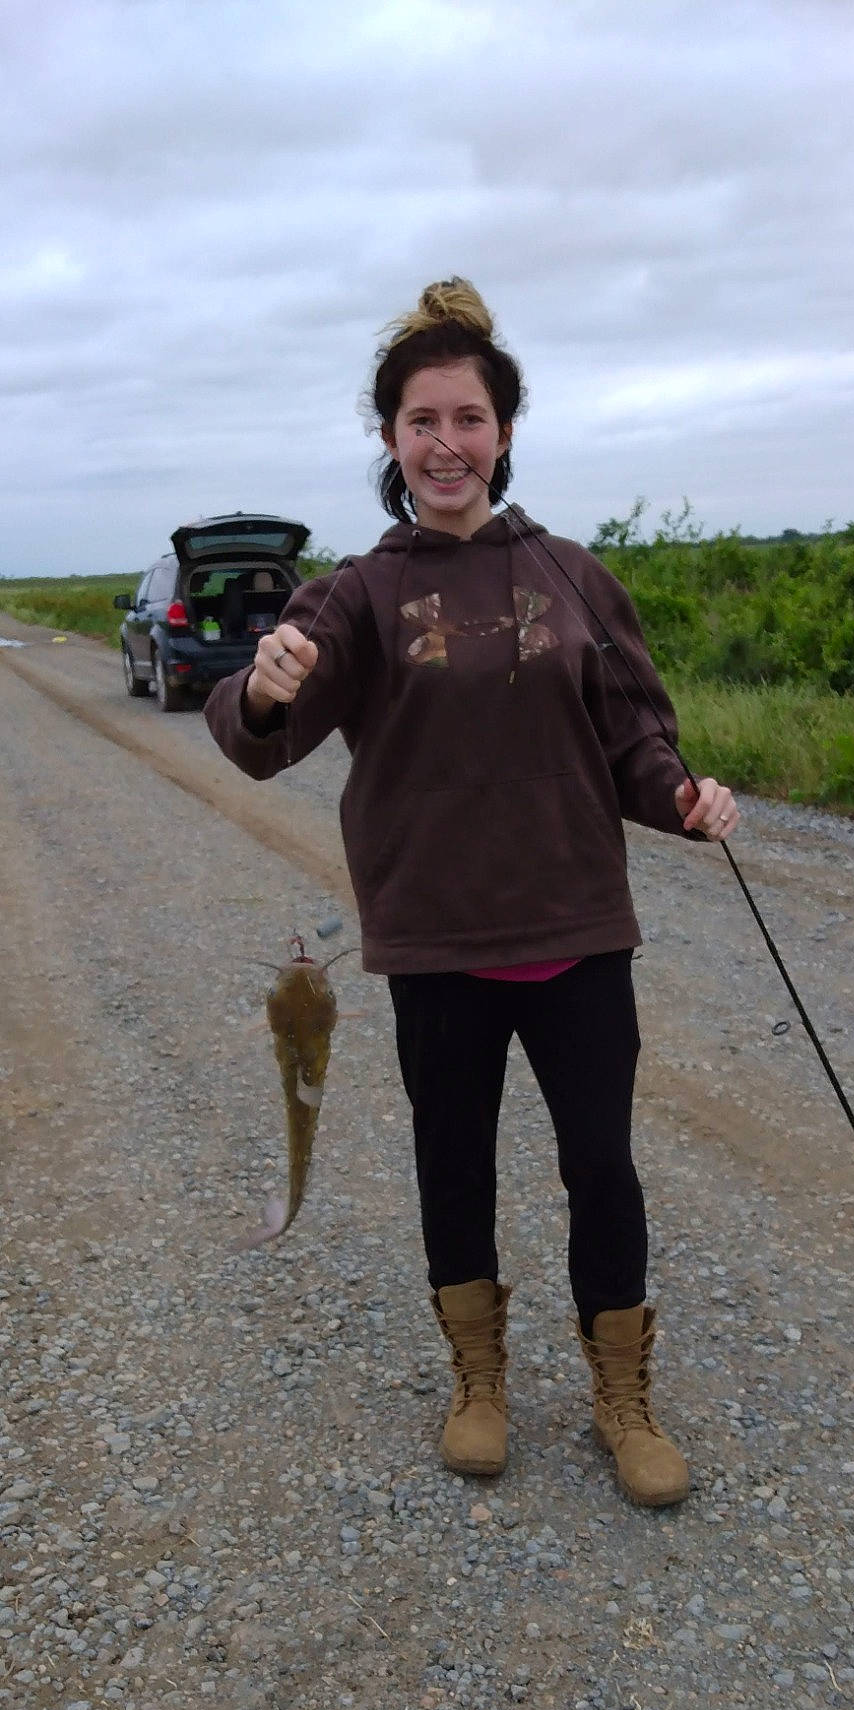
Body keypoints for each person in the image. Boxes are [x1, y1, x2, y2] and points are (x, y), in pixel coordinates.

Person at [205, 277, 739, 1510]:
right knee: (456, 1163)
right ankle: (480, 1381)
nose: (447, 443)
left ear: (504, 430)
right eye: (421, 420)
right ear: (390, 439)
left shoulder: (569, 574)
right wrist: (268, 685)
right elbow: (253, 735)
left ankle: (622, 1394)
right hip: (436, 942)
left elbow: (636, 744)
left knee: (601, 1164)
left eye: (470, 418)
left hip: (577, 932)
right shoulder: (355, 595)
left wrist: (686, 799)